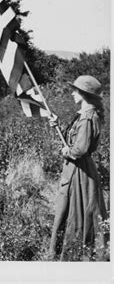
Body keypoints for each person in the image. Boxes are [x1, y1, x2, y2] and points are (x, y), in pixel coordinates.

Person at [48, 75, 108, 261]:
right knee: (69, 208)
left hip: (79, 171)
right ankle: (70, 249)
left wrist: (67, 151)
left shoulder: (89, 117)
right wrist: (57, 124)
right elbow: (74, 140)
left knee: (78, 209)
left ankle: (77, 252)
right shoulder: (82, 115)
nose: (73, 93)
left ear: (84, 93)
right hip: (75, 169)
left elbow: (79, 149)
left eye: (76, 90)